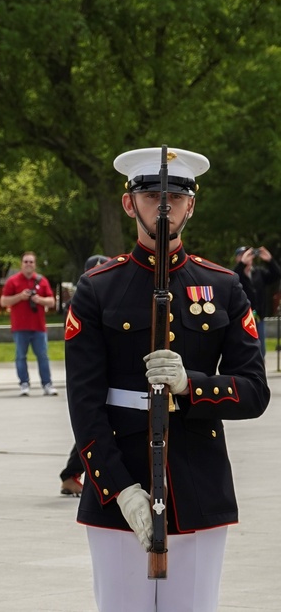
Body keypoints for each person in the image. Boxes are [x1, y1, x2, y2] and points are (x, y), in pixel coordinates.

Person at [65, 146, 270, 611]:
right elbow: (84, 404)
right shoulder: (97, 288)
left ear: (191, 205)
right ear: (128, 203)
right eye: (152, 194)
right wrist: (119, 489)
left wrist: (190, 385)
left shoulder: (222, 286)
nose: (164, 206)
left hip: (197, 484)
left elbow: (254, 391)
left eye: (176, 197)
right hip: (121, 487)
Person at [58, 254, 109, 497]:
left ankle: (73, 475)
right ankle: (71, 475)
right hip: (93, 372)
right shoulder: (82, 301)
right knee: (92, 426)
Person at [1, 251, 57, 396]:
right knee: (20, 356)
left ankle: (47, 384)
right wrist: (20, 297)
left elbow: (52, 302)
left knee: (43, 356)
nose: (28, 264)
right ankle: (24, 383)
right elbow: (3, 301)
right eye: (26, 261)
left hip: (38, 327)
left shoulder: (42, 281)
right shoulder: (13, 281)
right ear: (21, 264)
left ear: (35, 264)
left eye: (31, 262)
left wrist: (39, 300)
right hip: (20, 327)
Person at [232, 245, 280, 356]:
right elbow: (234, 278)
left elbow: (276, 275)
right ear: (237, 258)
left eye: (249, 255)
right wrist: (242, 264)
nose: (247, 257)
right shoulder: (236, 274)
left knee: (260, 349)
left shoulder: (259, 273)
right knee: (243, 349)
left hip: (258, 317)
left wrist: (270, 260)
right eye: (242, 255)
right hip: (242, 318)